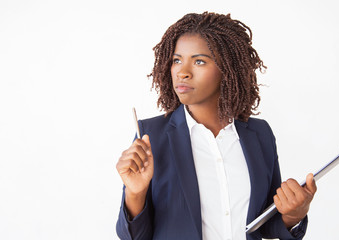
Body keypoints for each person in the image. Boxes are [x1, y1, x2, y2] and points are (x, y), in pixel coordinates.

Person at [116, 12, 317, 240]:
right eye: (176, 60)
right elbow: (133, 236)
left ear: (228, 68)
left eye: (199, 61)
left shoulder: (260, 134)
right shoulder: (151, 135)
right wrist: (135, 192)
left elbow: (265, 222)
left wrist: (293, 215)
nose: (182, 72)